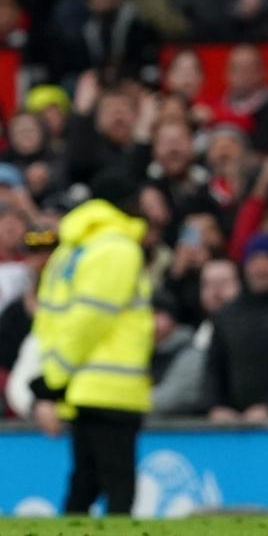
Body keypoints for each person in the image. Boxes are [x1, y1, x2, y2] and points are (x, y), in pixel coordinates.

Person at [28, 170, 152, 514]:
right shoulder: (117, 248)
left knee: (84, 482)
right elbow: (91, 319)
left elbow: (53, 318)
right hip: (112, 385)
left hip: (82, 383)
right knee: (117, 487)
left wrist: (55, 374)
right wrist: (56, 377)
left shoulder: (72, 250)